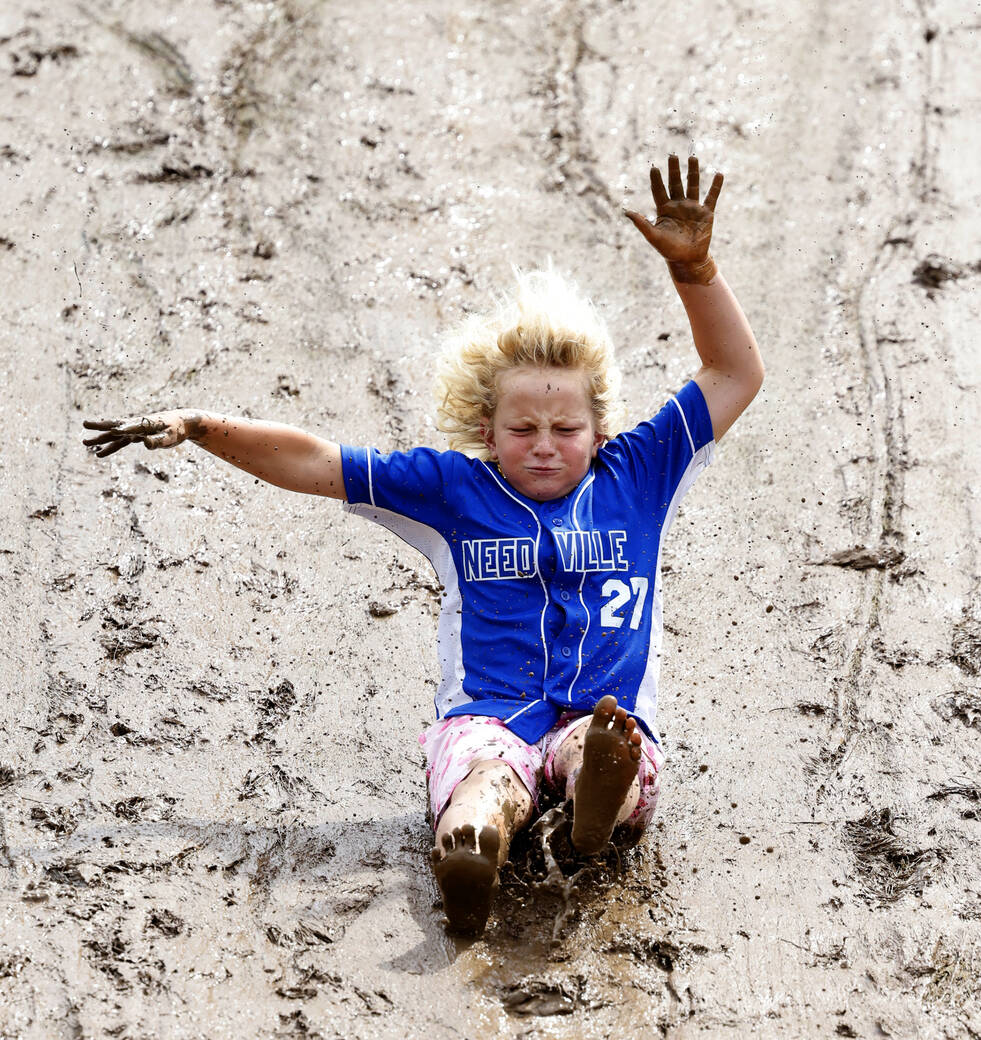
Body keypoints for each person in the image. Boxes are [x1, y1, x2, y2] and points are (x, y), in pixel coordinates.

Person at [83, 154, 764, 935]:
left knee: (605, 743)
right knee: (482, 773)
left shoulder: (641, 472)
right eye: (522, 430)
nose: (544, 445)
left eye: (566, 430)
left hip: (599, 714)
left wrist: (698, 271)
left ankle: (592, 799)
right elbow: (314, 461)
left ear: (599, 430)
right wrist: (200, 427)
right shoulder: (451, 491)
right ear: (487, 433)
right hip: (488, 717)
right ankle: (474, 843)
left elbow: (732, 373)